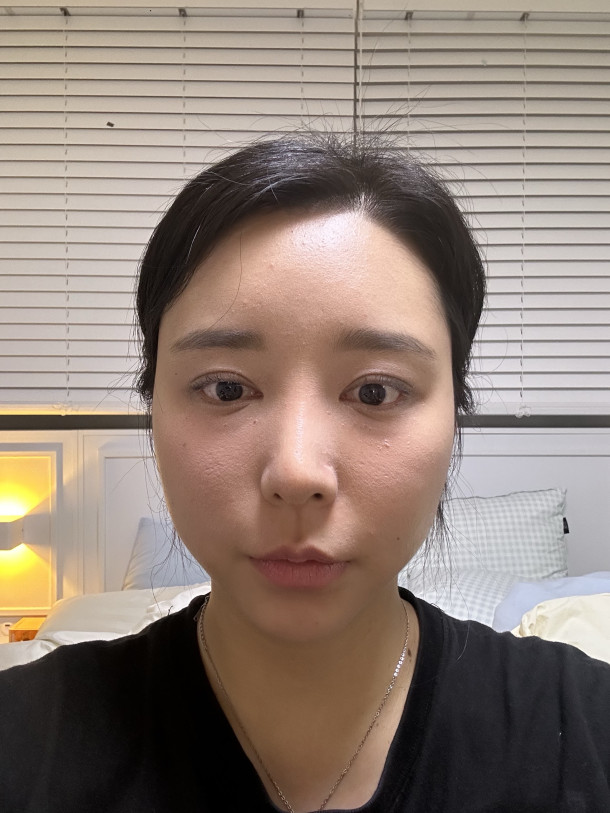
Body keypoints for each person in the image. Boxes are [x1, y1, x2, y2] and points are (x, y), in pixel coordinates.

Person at [1, 132, 609, 812]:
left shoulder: (584, 732)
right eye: (226, 388)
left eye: (375, 391)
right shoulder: (24, 742)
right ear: (154, 409)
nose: (295, 471)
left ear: (454, 416)